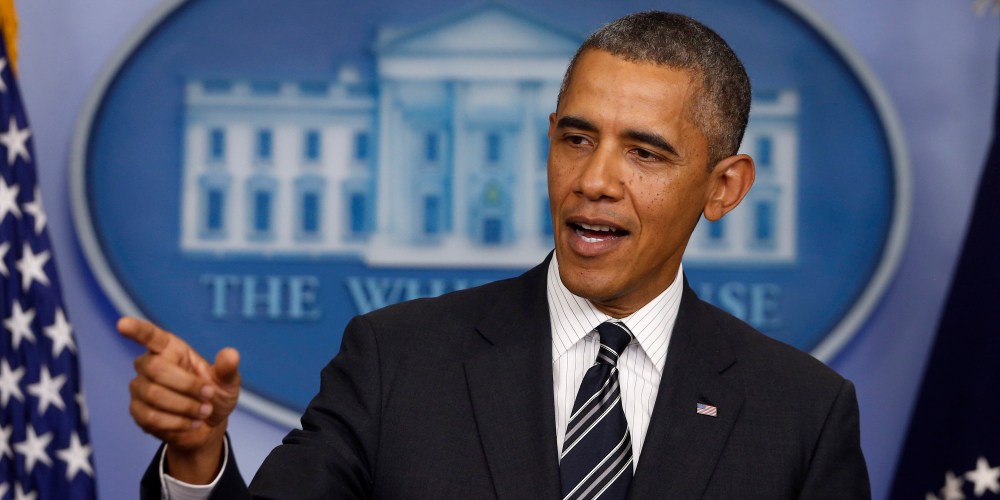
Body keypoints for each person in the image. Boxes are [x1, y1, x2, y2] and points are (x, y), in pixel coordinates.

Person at [123, 11, 871, 499]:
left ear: (724, 187)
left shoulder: (802, 413)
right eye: (576, 139)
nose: (594, 180)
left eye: (644, 153)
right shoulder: (395, 361)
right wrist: (197, 459)